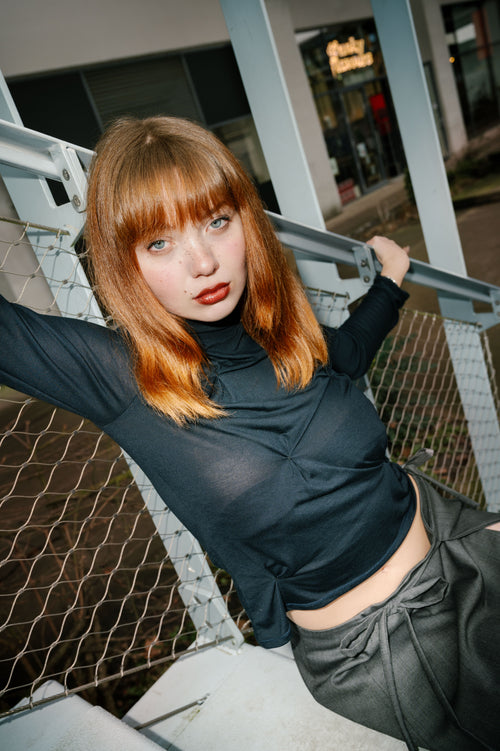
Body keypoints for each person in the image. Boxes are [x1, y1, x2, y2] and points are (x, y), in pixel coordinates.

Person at [1, 116, 499, 751]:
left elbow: (347, 354)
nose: (203, 262)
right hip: (384, 648)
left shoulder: (278, 327)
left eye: (216, 221)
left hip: (449, 531)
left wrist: (390, 282)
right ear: (124, 263)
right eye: (159, 242)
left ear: (247, 222)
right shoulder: (121, 377)